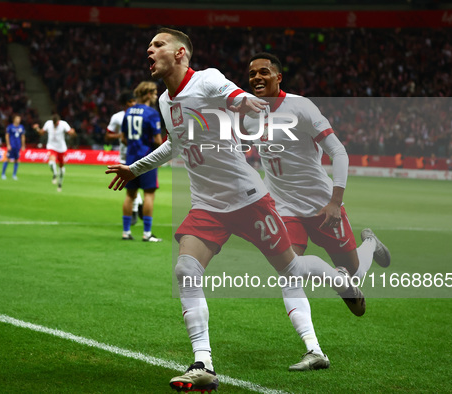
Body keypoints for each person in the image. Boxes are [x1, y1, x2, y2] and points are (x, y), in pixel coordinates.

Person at [106, 27, 365, 393]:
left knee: (290, 267)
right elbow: (175, 146)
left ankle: (341, 281)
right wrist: (135, 168)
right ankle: (202, 364)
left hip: (248, 199)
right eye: (149, 45)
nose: (149, 49)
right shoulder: (165, 101)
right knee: (185, 269)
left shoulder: (208, 80)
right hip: (207, 205)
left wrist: (243, 100)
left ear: (180, 54)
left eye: (158, 44)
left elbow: (231, 93)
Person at [243, 53, 391, 371]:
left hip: (322, 205)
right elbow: (249, 152)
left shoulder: (302, 107)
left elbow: (338, 150)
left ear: (278, 77)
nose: (256, 77)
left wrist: (336, 201)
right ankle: (314, 350)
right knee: (289, 273)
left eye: (264, 72)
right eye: (252, 73)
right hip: (283, 208)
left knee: (352, 274)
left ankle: (369, 245)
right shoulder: (249, 115)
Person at [120, 82, 163, 242]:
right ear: (148, 94)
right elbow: (158, 140)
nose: (156, 96)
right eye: (155, 93)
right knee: (149, 194)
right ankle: (146, 234)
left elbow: (123, 138)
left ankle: (126, 232)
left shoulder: (128, 111)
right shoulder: (151, 113)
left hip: (130, 159)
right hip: (147, 159)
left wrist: (133, 147)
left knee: (130, 195)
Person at [105, 91, 143, 226]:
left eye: (135, 101)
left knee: (134, 185)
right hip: (124, 155)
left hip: (140, 154)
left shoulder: (142, 114)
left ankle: (137, 206)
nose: (134, 103)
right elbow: (108, 136)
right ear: (125, 104)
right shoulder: (117, 117)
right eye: (131, 101)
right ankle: (135, 210)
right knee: (131, 185)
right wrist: (119, 136)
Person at [33, 114, 76, 192]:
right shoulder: (48, 123)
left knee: (61, 168)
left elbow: (71, 133)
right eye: (54, 123)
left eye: (56, 123)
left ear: (58, 122)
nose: (55, 125)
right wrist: (37, 128)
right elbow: (41, 133)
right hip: (51, 147)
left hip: (62, 149)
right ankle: (55, 174)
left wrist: (72, 132)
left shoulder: (64, 124)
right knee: (51, 162)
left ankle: (60, 184)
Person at [2, 115, 26, 180]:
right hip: (12, 146)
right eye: (17, 119)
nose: (18, 120)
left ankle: (14, 175)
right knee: (7, 159)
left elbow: (23, 136)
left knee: (16, 160)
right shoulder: (10, 127)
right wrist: (8, 144)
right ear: (14, 119)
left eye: (19, 119)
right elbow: (7, 136)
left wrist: (23, 145)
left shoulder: (21, 127)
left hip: (18, 146)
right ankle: (3, 174)